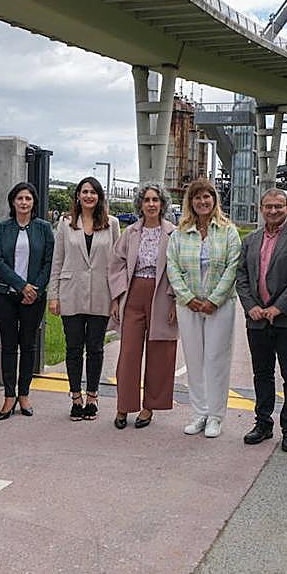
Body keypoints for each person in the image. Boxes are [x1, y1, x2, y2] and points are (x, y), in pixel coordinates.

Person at [235, 188, 287, 453]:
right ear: (261, 209)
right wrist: (251, 307)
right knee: (262, 374)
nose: (273, 210)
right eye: (268, 206)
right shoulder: (250, 240)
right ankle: (263, 423)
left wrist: (279, 307)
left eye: (279, 206)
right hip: (257, 320)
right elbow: (242, 277)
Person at [166, 178, 241, 439]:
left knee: (216, 359)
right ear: (191, 202)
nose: (202, 201)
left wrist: (214, 300)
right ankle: (199, 413)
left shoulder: (228, 231)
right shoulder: (179, 233)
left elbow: (233, 267)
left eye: (206, 196)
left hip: (219, 306)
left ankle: (216, 416)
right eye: (197, 197)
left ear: (214, 199)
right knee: (194, 359)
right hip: (189, 305)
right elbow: (172, 267)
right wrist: (187, 298)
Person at [49, 176, 120, 421]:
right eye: (84, 192)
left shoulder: (111, 224)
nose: (89, 196)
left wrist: (117, 298)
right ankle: (75, 397)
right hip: (72, 293)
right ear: (78, 196)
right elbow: (57, 260)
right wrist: (53, 295)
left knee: (96, 348)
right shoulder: (66, 223)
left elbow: (117, 265)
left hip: (101, 293)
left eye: (93, 192)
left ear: (99, 197)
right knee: (73, 348)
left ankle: (92, 396)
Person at [109, 182, 179, 430]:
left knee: (161, 351)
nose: (151, 204)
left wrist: (175, 300)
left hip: (162, 294)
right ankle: (124, 405)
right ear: (140, 204)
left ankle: (150, 406)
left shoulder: (173, 233)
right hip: (134, 294)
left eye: (155, 200)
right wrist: (117, 298)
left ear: (162, 204)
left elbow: (179, 268)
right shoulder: (130, 232)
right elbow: (116, 265)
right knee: (128, 352)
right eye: (147, 200)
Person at [0, 181, 54, 420]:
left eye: (28, 198)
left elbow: (49, 261)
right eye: (20, 198)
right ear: (13, 202)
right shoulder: (2, 228)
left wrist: (34, 289)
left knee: (28, 346)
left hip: (33, 297)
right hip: (5, 295)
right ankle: (9, 396)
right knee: (8, 346)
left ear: (33, 202)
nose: (24, 202)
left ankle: (24, 394)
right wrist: (21, 285)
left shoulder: (44, 228)